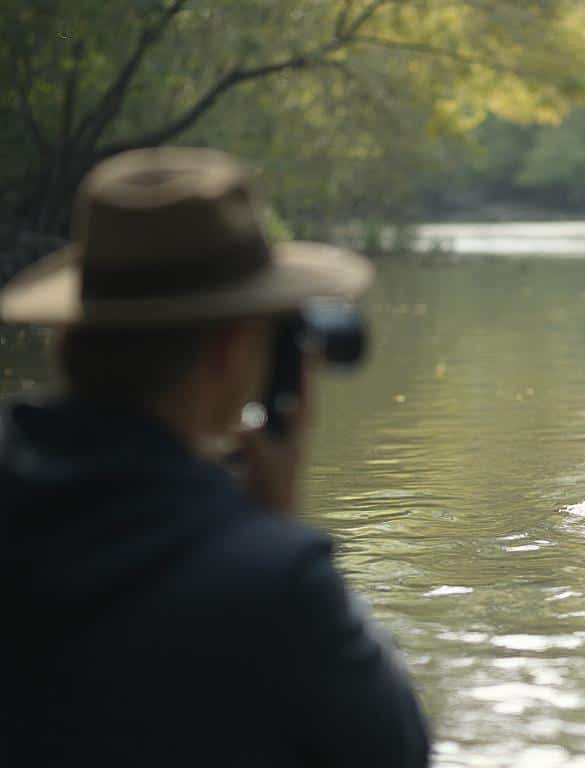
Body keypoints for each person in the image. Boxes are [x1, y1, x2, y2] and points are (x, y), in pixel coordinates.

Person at [0, 148, 430, 767]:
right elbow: (395, 751)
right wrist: (274, 526)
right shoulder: (270, 583)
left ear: (67, 334)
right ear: (231, 348)